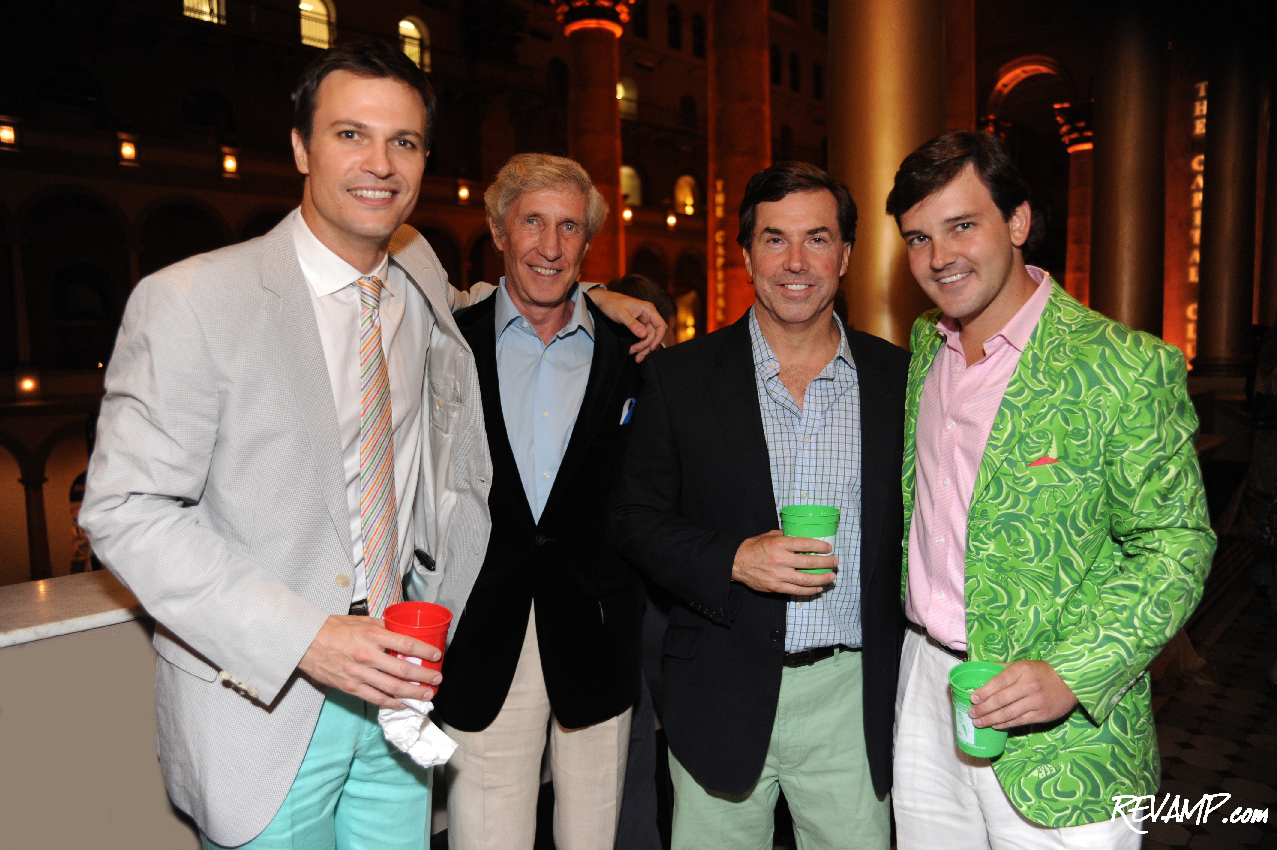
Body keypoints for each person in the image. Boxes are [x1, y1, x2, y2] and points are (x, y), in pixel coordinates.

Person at [79, 40, 663, 850]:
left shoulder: (415, 270)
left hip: (401, 694)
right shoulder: (191, 298)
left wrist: (599, 298)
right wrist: (308, 639)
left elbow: (506, 296)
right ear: (300, 146)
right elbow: (125, 512)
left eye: (405, 142)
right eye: (351, 134)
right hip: (268, 698)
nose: (380, 164)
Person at [886, 130, 1216, 848]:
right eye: (917, 238)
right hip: (926, 687)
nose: (939, 257)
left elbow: (1176, 546)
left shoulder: (1122, 366)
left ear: (1017, 222)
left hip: (1063, 733)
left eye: (962, 226)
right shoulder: (926, 345)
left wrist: (1073, 672)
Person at [612, 161, 908, 850]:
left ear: (845, 255)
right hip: (719, 689)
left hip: (853, 697)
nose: (796, 262)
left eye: (817, 238)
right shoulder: (679, 378)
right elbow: (631, 520)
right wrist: (733, 560)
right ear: (746, 255)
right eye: (775, 239)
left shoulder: (898, 380)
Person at [431, 153, 646, 850]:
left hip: (596, 632)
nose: (550, 247)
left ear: (588, 243)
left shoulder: (632, 353)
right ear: (499, 231)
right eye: (532, 222)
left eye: (569, 227)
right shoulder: (446, 344)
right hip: (481, 633)